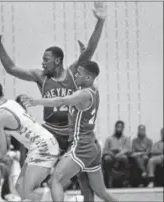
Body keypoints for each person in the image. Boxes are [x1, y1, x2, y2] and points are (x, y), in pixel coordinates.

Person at [0, 2, 106, 201]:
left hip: (71, 133)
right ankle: (33, 192)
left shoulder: (72, 71)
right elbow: (12, 68)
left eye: (46, 59)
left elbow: (91, 49)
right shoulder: (41, 76)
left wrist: (100, 21)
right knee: (32, 182)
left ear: (57, 61)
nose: (42, 63)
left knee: (85, 183)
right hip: (50, 132)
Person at [22, 60, 118, 202]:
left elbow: (60, 100)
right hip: (92, 144)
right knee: (99, 190)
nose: (75, 76)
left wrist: (37, 102)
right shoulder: (94, 89)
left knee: (55, 180)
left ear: (88, 78)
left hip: (81, 145)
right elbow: (82, 77)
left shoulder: (83, 94)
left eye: (79, 74)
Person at [0, 81, 60, 202]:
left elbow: (1, 150)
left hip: (42, 148)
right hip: (47, 143)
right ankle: (48, 196)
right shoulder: (12, 104)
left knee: (25, 190)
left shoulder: (0, 115)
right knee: (21, 188)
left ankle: (50, 197)